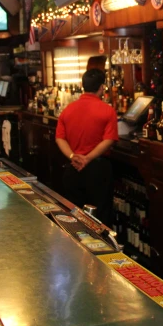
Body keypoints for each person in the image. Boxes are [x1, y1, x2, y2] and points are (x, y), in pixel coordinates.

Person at [55, 69, 118, 225]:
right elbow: (109, 139)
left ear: (83, 86)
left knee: (74, 218)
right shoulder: (107, 110)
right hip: (98, 170)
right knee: (100, 218)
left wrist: (73, 157)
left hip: (73, 169)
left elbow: (59, 138)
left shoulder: (68, 110)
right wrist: (88, 158)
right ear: (102, 88)